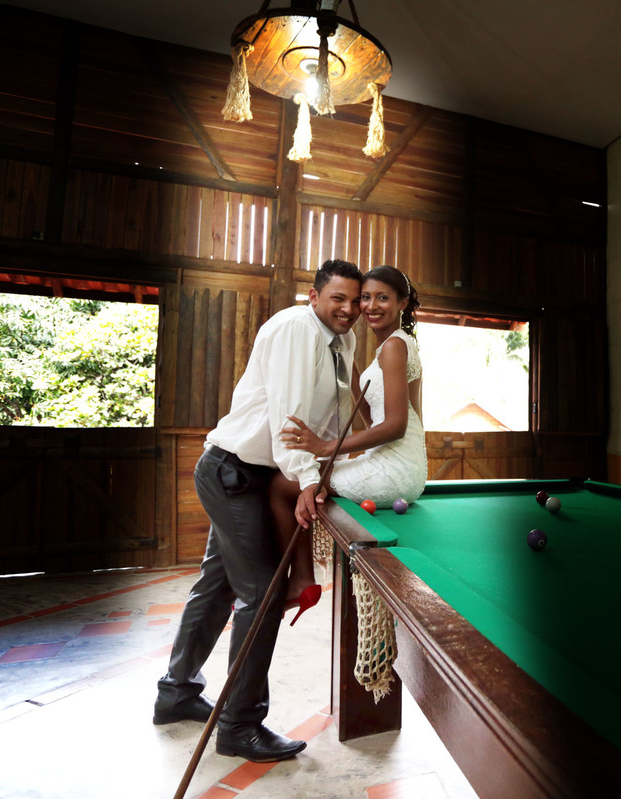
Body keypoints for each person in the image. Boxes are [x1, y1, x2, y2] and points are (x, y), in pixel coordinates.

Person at [152, 259, 362, 764]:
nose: (349, 309)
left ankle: (176, 693)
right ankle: (239, 726)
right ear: (314, 296)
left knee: (217, 585)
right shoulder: (296, 328)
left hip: (255, 475)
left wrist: (334, 466)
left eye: (356, 301)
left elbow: (327, 419)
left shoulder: (344, 340)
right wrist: (306, 478)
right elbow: (290, 417)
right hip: (233, 472)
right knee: (263, 595)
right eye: (338, 298)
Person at [275, 265, 426, 518]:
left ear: (402, 302)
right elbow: (372, 420)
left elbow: (396, 426)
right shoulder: (395, 345)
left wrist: (325, 447)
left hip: (394, 470)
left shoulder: (394, 346)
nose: (371, 306)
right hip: (407, 469)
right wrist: (345, 355)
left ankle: (294, 549)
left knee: (283, 482)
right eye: (365, 297)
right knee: (303, 477)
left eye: (382, 297)